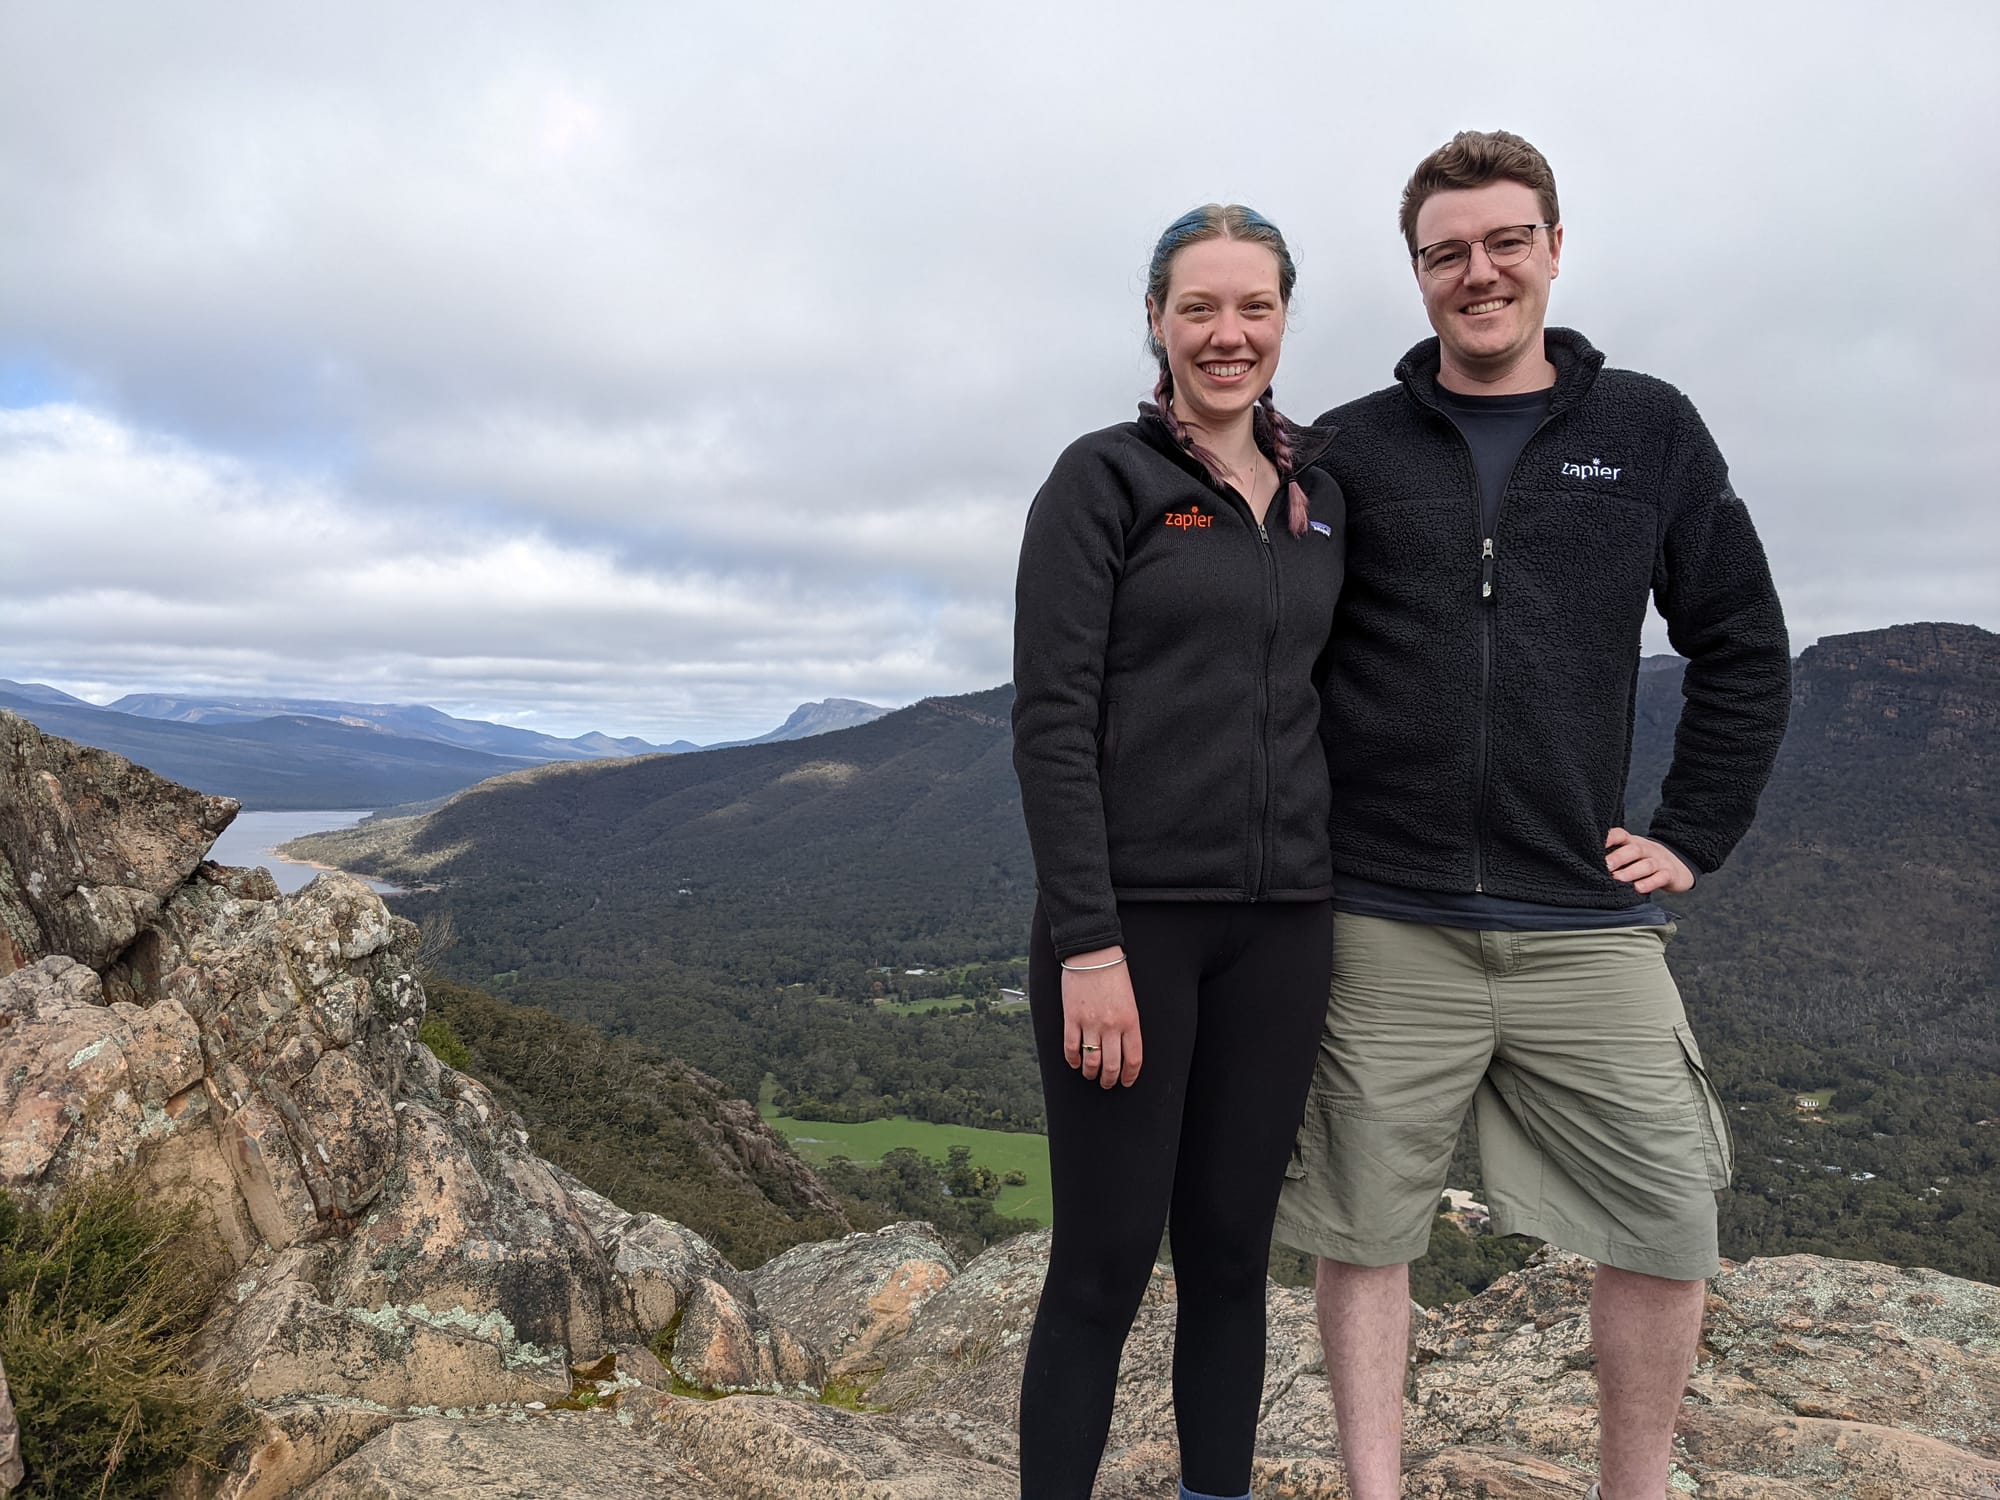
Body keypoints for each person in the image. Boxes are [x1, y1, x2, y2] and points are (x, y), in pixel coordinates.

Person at [1272, 131, 1790, 1500]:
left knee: (1671, 1219)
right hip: (1386, 916)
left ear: (1555, 248)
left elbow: (1740, 636)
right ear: (1419, 273)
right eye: (1448, 251)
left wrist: (1695, 828)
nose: (1480, 271)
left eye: (1507, 241)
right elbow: (1271, 659)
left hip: (1584, 914)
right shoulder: (1348, 453)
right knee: (1366, 1225)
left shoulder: (1649, 431)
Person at [1011, 204, 1345, 1500]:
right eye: (1198, 307)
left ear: (1283, 319)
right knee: (1101, 1263)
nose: (1227, 333)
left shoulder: (1321, 494)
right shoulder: (1103, 481)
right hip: (1130, 931)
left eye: (1252, 307)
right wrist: (1088, 943)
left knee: (1227, 1258)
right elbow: (1050, 723)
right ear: (1155, 320)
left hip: (1283, 929)